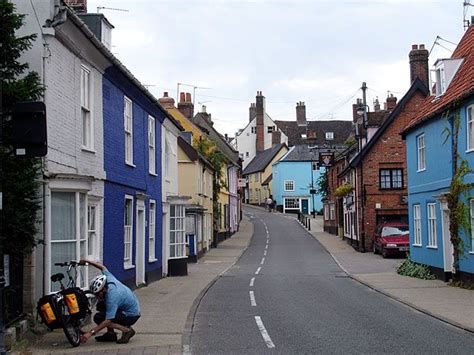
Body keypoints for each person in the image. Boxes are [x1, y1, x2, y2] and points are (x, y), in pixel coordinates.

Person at [79, 259, 140, 344]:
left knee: (99, 317)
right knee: (100, 305)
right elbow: (102, 267)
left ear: (103, 289)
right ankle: (111, 334)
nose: (97, 296)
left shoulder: (112, 297)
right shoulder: (108, 279)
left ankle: (127, 330)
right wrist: (87, 261)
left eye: (97, 294)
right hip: (129, 306)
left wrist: (90, 333)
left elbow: (107, 321)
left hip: (131, 315)